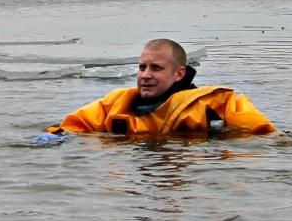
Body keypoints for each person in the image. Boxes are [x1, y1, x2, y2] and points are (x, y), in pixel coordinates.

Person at [32, 38, 277, 143]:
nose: (145, 75)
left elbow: (267, 137)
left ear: (179, 73)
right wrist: (56, 135)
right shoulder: (115, 104)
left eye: (156, 68)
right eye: (142, 67)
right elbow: (75, 126)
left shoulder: (215, 104)